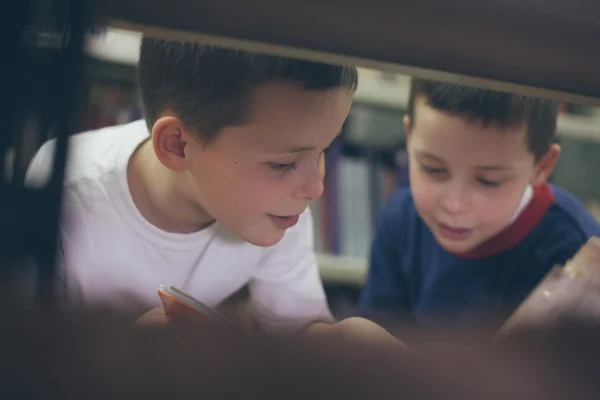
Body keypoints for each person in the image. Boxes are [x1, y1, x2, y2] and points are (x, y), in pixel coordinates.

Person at [26, 36, 395, 341]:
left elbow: (296, 328)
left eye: (325, 149)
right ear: (177, 145)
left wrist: (347, 342)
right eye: (282, 163)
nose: (315, 187)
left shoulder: (282, 206)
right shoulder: (63, 195)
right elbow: (27, 360)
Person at [359, 78, 600, 332]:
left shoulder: (577, 250)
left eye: (489, 181)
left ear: (542, 167)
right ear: (409, 138)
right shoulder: (400, 220)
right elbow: (377, 341)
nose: (454, 205)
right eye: (434, 170)